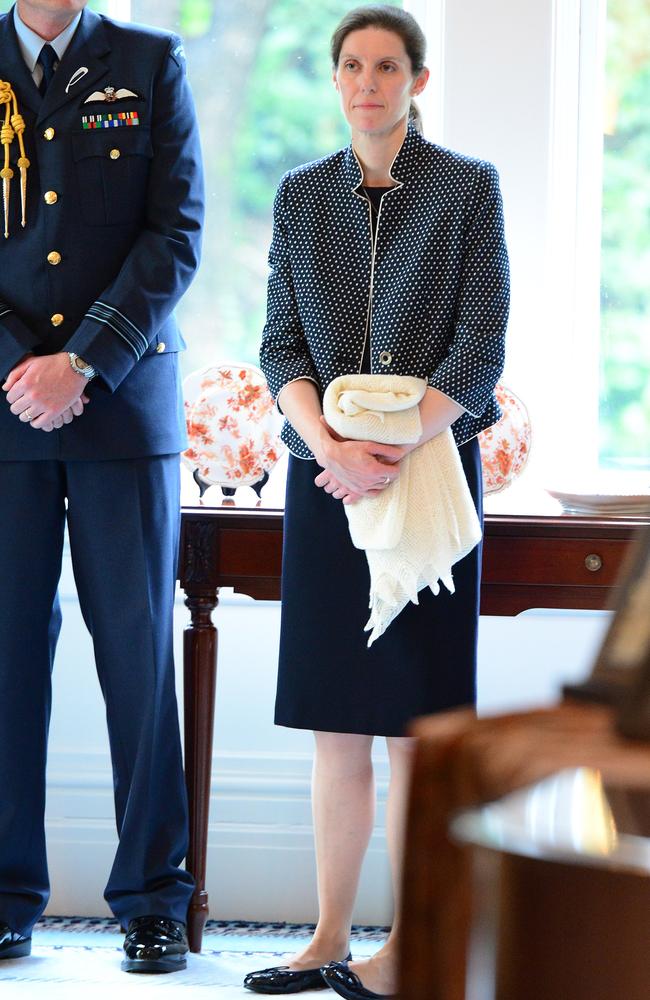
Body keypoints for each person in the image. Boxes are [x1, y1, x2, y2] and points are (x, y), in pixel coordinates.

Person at [243, 6, 509, 999]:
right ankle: (324, 937)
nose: (366, 82)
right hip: (323, 481)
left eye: (385, 66)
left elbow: (478, 353)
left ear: (416, 81)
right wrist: (331, 449)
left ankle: (409, 947)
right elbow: (280, 345)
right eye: (350, 65)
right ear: (334, 79)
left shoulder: (466, 190)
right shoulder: (298, 195)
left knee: (412, 725)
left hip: (429, 476)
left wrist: (388, 449)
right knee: (335, 724)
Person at [0, 0, 203, 974]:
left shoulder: (151, 61)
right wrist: (22, 368)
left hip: (121, 407)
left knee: (136, 655)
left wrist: (80, 363)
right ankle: (4, 893)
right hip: (1, 411)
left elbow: (176, 231)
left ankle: (152, 899)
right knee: (2, 661)